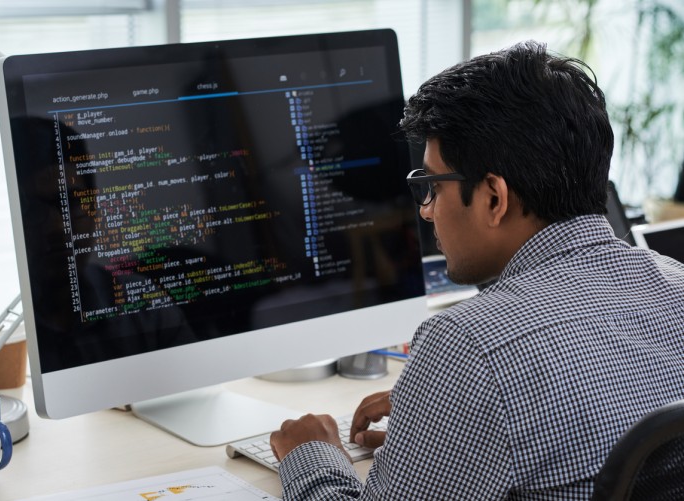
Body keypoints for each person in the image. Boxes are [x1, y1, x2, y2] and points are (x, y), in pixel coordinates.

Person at [269, 40, 684, 499]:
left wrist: (310, 456)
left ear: (493, 197)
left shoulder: (470, 346)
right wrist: (444, 424)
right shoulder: (676, 285)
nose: (426, 212)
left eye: (430, 186)